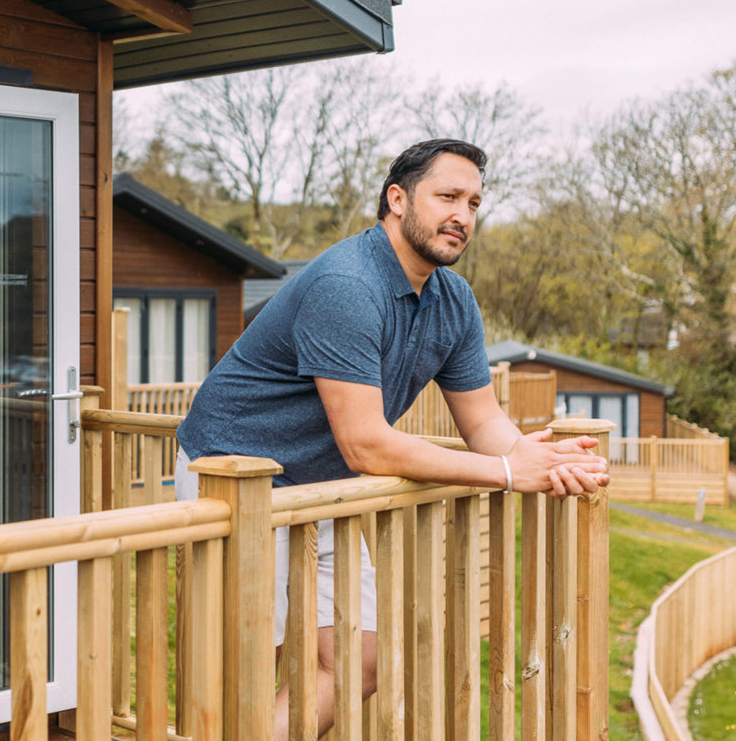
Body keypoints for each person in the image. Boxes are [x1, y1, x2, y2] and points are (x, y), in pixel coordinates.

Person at [174, 139, 609, 739]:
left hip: (323, 486)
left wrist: (538, 457)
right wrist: (509, 474)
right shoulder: (347, 283)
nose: (463, 215)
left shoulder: (453, 300)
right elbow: (368, 446)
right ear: (397, 199)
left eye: (475, 203)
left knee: (360, 662)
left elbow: (483, 422)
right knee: (246, 663)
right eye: (448, 196)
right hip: (232, 474)